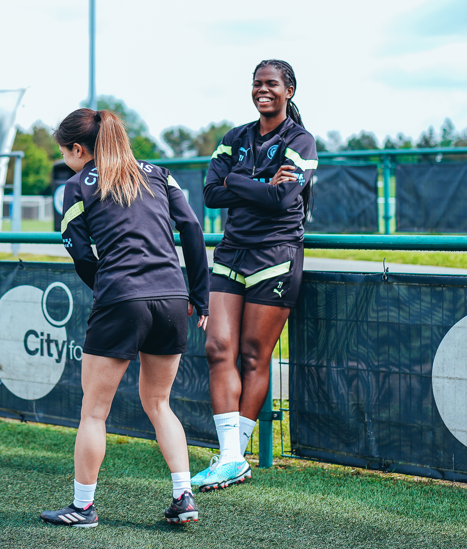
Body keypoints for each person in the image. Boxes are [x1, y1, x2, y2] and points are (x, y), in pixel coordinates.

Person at [40, 108, 210, 527]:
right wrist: (199, 296)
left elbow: (80, 252)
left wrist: (109, 289)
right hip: (173, 298)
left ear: (78, 149)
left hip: (121, 299)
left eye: (65, 152)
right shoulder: (160, 173)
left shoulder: (76, 185)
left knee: (94, 412)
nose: (66, 161)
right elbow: (192, 229)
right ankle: (184, 496)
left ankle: (82, 508)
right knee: (160, 403)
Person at [192, 59, 318, 491]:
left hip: (276, 256)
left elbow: (284, 200)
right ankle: (231, 458)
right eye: (256, 83)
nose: (262, 90)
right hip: (231, 252)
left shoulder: (300, 139)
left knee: (251, 354)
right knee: (216, 347)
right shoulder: (235, 137)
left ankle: (233, 457)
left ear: (289, 91)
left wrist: (239, 180)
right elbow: (210, 194)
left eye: (271, 84)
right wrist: (259, 182)